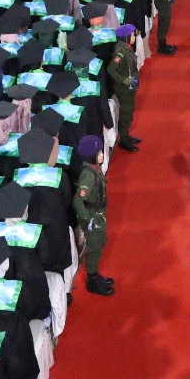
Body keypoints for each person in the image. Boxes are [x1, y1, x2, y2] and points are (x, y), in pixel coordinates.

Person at [74, 136, 114, 295]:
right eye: (99, 152)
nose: (102, 154)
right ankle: (92, 279)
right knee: (95, 246)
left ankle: (95, 275)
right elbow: (78, 201)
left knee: (101, 241)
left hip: (98, 213)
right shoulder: (88, 175)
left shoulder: (93, 169)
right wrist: (87, 219)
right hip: (92, 216)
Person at [107, 22, 140, 152]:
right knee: (126, 112)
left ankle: (126, 135)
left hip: (130, 87)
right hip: (124, 88)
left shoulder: (126, 48)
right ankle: (123, 139)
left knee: (129, 111)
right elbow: (111, 69)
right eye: (132, 35)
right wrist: (123, 80)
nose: (134, 37)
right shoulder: (120, 52)